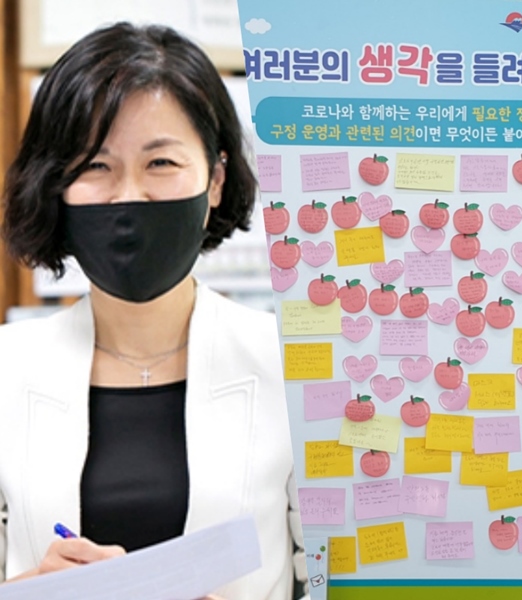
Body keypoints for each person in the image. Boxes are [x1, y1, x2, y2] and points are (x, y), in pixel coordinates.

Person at [0, 22, 307, 600]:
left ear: (215, 179)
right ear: (54, 185)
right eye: (95, 166)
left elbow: (339, 578)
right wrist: (34, 590)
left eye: (161, 163)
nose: (128, 196)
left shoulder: (294, 365)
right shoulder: (6, 368)